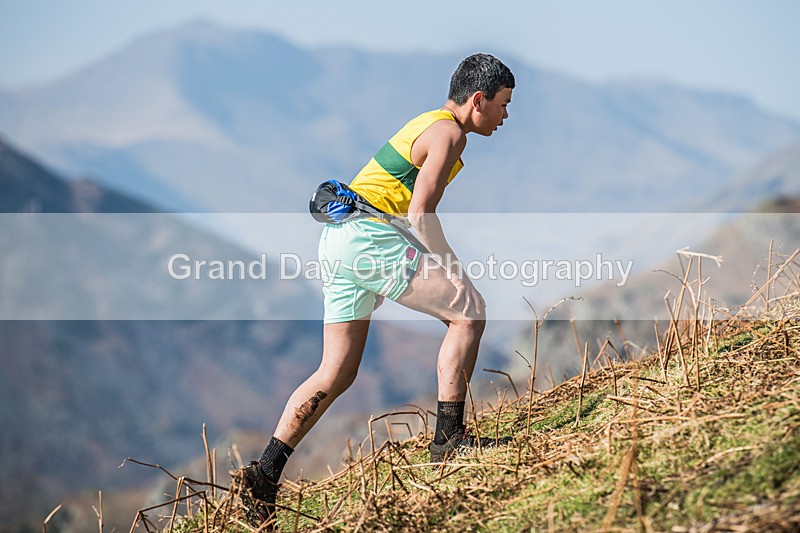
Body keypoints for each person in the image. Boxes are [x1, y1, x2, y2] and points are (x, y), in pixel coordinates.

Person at [237, 53, 515, 526]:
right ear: (477, 100)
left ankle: (264, 475)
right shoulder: (447, 133)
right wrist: (452, 270)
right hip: (368, 237)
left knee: (336, 372)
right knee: (469, 312)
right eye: (504, 104)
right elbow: (421, 211)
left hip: (338, 240)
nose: (506, 116)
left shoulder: (428, 123)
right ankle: (448, 440)